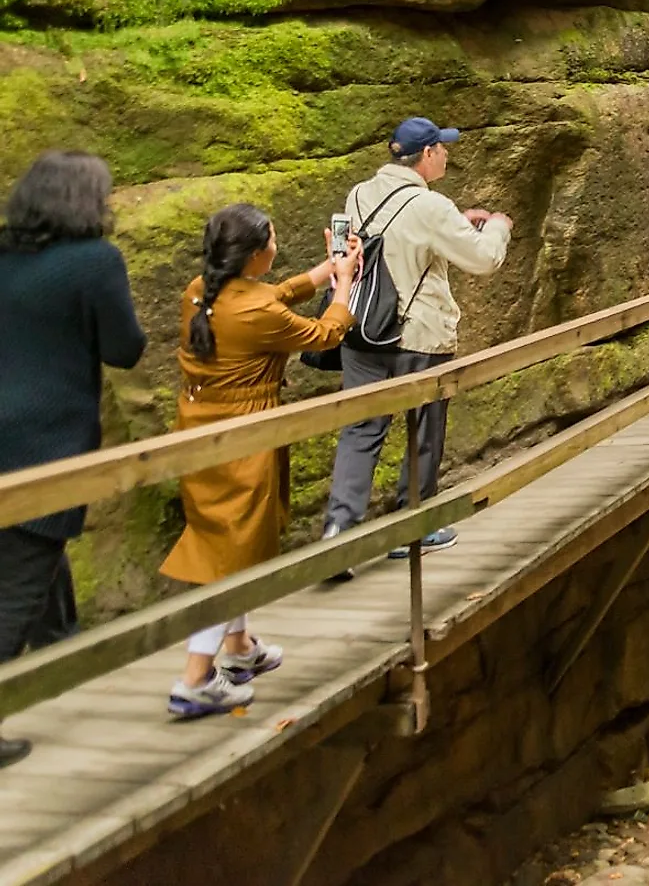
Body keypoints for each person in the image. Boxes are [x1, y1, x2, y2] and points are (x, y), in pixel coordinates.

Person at [164, 204, 359, 718]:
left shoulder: (201, 290)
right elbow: (324, 334)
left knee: (233, 539)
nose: (276, 245)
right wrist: (341, 289)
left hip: (201, 426)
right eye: (272, 239)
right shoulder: (255, 312)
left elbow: (268, 298)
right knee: (226, 558)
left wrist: (322, 272)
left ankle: (239, 647)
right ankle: (195, 679)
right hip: (242, 434)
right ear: (256, 254)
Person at [0, 152, 145, 767]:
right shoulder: (94, 261)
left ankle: (69, 661)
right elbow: (125, 349)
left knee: (37, 567)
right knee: (17, 582)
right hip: (46, 442)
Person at [321, 118, 511, 562]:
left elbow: (383, 243)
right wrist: (497, 226)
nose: (446, 153)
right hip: (416, 337)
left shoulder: (358, 194)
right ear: (427, 155)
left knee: (360, 431)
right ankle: (414, 526)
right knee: (423, 430)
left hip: (362, 332)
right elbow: (483, 259)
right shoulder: (430, 205)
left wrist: (455, 224)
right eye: (442, 148)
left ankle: (338, 531)